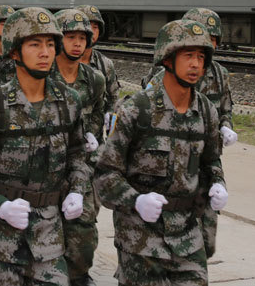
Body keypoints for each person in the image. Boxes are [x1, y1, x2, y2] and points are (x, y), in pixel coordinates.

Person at [0, 7, 91, 286]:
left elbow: (77, 155)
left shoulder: (69, 102)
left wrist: (77, 190)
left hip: (49, 239)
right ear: (14, 52)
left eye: (50, 44)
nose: (45, 52)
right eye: (35, 44)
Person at [95, 19, 226, 286]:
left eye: (201, 57)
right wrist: (135, 200)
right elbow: (105, 177)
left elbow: (212, 161)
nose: (196, 65)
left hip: (188, 237)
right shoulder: (138, 110)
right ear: (167, 58)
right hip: (141, 240)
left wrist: (218, 184)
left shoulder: (206, 112)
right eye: (188, 56)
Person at [52, 9, 106, 286]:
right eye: (70, 37)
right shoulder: (43, 74)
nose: (77, 43)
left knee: (83, 230)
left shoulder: (94, 78)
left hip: (81, 165)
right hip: (47, 165)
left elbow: (99, 109)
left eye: (82, 38)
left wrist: (94, 133)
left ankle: (79, 275)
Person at [76, 5, 120, 120]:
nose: (91, 31)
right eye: (87, 26)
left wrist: (109, 115)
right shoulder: (59, 62)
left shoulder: (105, 64)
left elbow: (113, 99)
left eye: (95, 27)